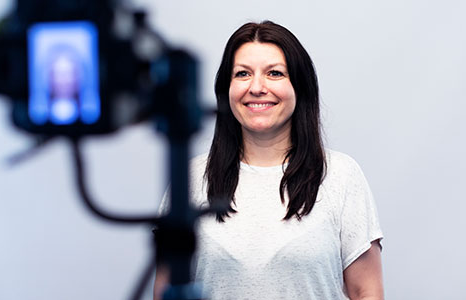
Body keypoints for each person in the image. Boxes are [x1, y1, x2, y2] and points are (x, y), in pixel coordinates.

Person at [154, 20, 383, 300]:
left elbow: (366, 292)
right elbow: (165, 291)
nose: (257, 87)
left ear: (299, 87)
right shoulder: (189, 178)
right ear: (226, 89)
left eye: (274, 73)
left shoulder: (341, 175)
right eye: (242, 74)